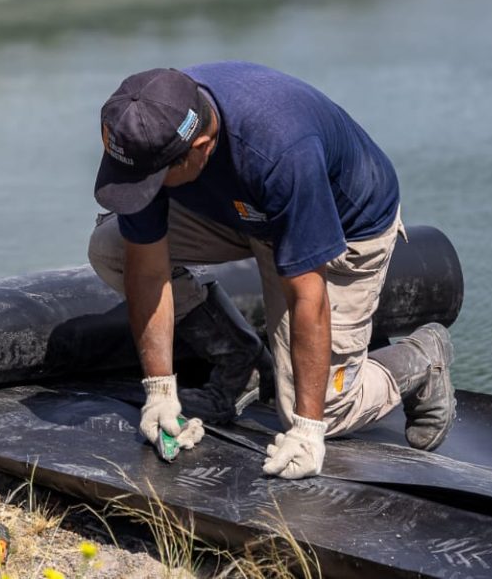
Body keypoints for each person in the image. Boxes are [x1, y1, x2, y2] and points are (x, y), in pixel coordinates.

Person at [87, 62, 453, 479]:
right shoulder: (153, 127)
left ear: (202, 147)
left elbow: (307, 298)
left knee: (322, 411)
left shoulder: (280, 149)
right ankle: (238, 358)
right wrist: (159, 389)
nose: (143, 189)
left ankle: (422, 359)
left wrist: (309, 432)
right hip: (238, 212)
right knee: (112, 248)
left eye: (153, 179)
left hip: (341, 227)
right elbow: (147, 270)